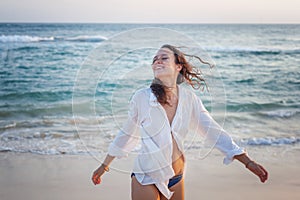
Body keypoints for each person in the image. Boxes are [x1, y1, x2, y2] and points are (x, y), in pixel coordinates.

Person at [92, 44, 268, 200]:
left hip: (177, 178)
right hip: (146, 176)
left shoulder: (189, 99)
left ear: (178, 66)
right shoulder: (142, 97)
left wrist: (247, 162)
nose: (157, 61)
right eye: (155, 59)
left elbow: (213, 131)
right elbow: (127, 133)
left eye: (163, 57)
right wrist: (104, 166)